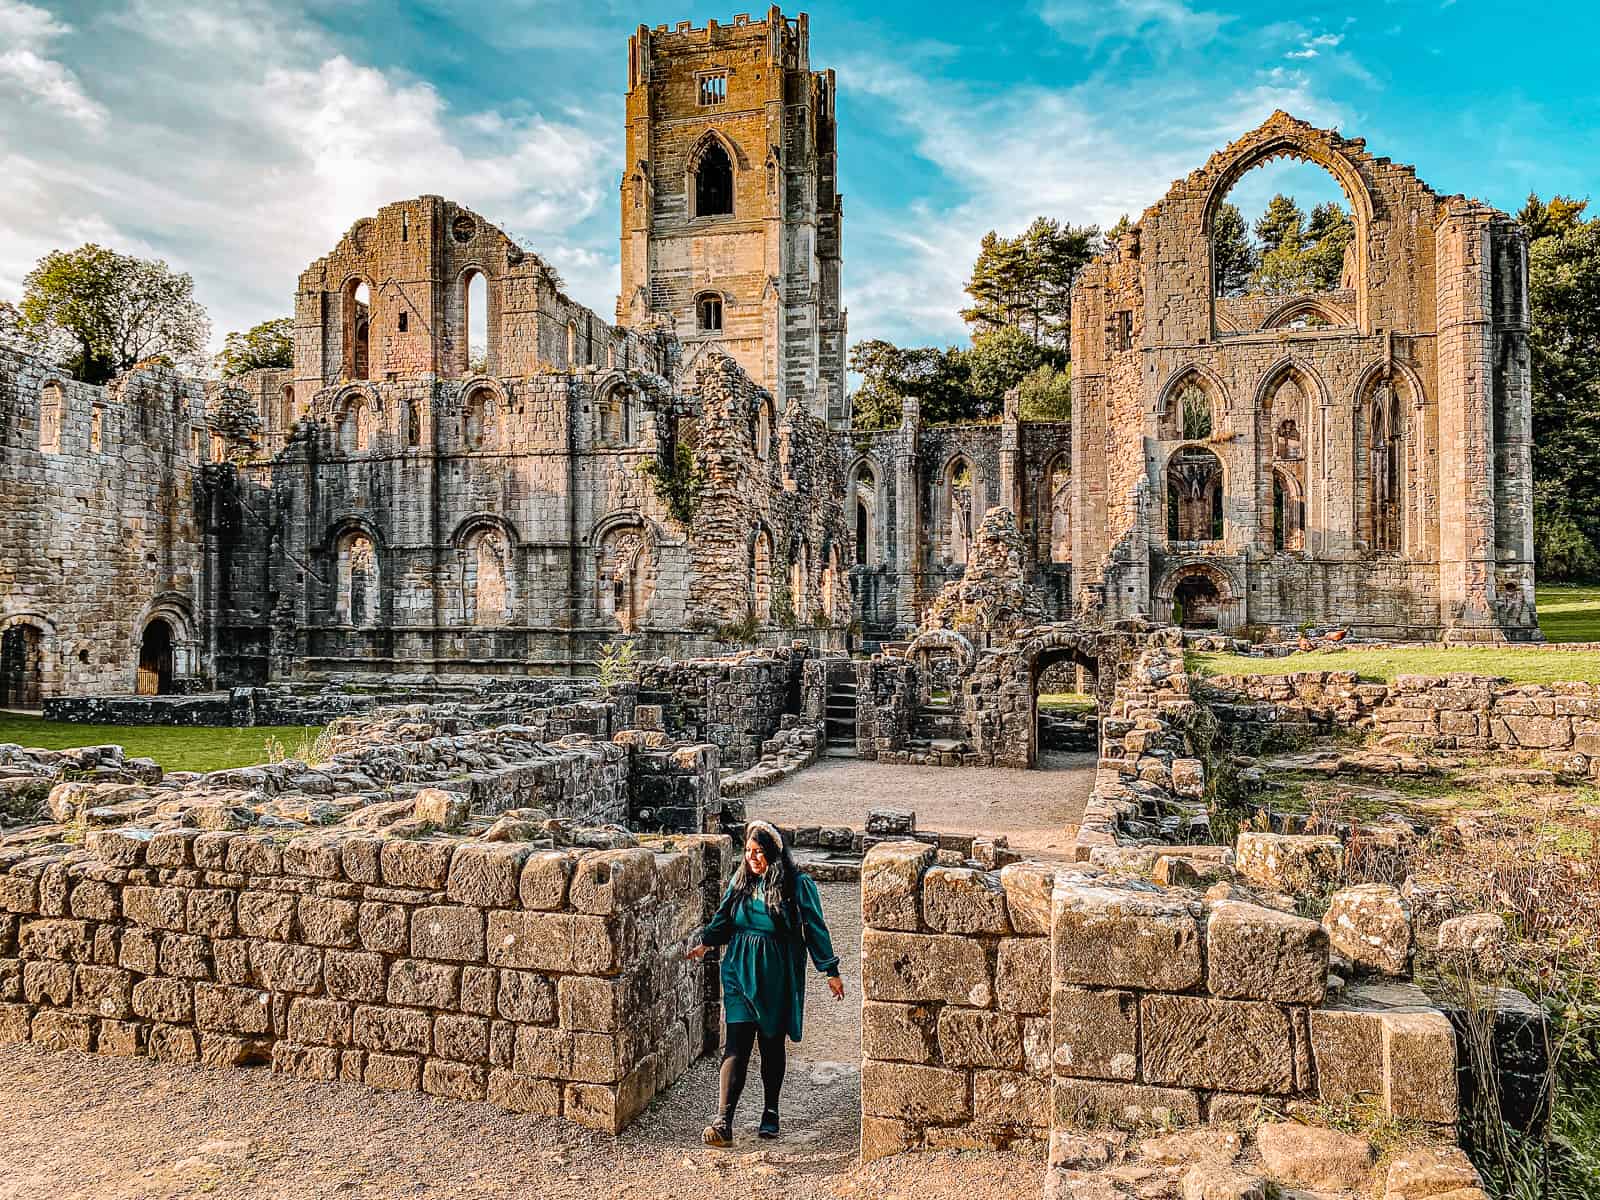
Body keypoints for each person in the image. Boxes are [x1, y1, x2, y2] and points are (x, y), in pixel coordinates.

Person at [686, 820, 843, 1146]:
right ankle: (723, 1121)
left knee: (771, 1043)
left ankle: (770, 1111)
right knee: (738, 1043)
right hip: (739, 970)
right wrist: (706, 942)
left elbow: (815, 928)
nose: (752, 858)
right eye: (748, 851)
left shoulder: (797, 885)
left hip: (776, 974)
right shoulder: (741, 881)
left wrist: (830, 970)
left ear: (773, 852)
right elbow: (724, 918)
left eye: (758, 852)